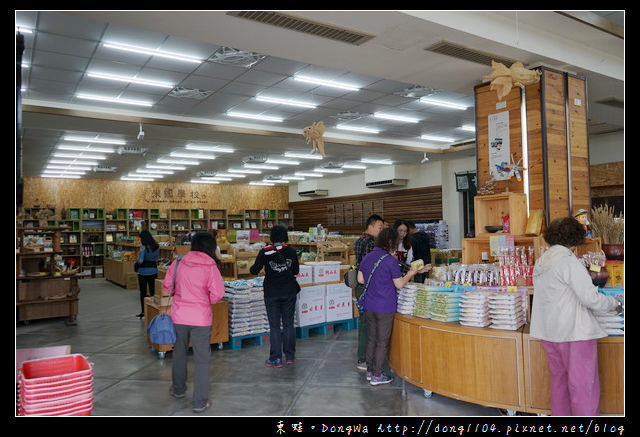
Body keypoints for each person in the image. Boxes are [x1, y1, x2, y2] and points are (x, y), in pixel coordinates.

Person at [529, 217, 622, 416]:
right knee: (583, 387)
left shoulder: (542, 261)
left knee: (559, 385)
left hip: (550, 333)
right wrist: (615, 305)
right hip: (574, 333)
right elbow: (590, 298)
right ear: (575, 239)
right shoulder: (567, 261)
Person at [357, 227, 431, 385]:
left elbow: (361, 279)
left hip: (369, 304)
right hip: (385, 306)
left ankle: (370, 371)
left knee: (372, 338)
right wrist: (411, 273)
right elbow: (399, 284)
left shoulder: (368, 257)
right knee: (382, 342)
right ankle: (377, 375)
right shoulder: (390, 261)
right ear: (392, 243)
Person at [162, 232, 225, 413]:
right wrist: (207, 300)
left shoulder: (179, 261)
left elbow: (168, 285)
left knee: (179, 352)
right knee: (202, 359)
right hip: (201, 318)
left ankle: (178, 390)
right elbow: (218, 294)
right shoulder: (210, 266)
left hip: (179, 315)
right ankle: (199, 401)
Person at [250, 225, 300, 368]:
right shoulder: (291, 251)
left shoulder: (265, 252)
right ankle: (290, 356)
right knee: (289, 323)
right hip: (289, 291)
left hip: (272, 293)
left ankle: (276, 358)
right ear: (285, 236)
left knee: (275, 326)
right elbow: (295, 270)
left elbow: (254, 270)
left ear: (271, 237)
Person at [353, 214, 385, 371]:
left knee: (365, 323)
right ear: (371, 226)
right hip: (369, 287)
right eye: (380, 227)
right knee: (368, 324)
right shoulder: (372, 243)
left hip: (360, 288)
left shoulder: (359, 241)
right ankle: (364, 359)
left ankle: (364, 358)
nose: (382, 230)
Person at [135, 230, 160, 319]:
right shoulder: (157, 247)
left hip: (143, 272)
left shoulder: (143, 248)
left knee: (143, 292)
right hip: (153, 270)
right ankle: (154, 311)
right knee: (153, 292)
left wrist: (136, 264)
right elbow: (157, 258)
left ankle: (143, 311)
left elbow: (141, 260)